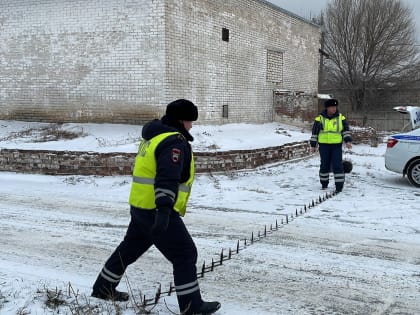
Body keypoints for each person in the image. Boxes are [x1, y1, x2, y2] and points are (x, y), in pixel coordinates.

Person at [91, 99, 221, 315]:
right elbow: (166, 177)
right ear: (180, 120)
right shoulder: (174, 143)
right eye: (189, 121)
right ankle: (192, 307)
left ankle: (103, 287)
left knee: (129, 248)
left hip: (141, 207)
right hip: (157, 210)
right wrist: (163, 210)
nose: (191, 126)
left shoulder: (153, 137)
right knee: (185, 254)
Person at [310, 98, 352, 193]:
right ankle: (324, 183)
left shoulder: (341, 118)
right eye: (332, 107)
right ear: (327, 108)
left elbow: (345, 130)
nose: (334, 109)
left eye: (335, 107)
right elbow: (314, 133)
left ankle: (339, 186)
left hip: (336, 145)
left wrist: (348, 141)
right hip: (324, 145)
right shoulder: (319, 118)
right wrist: (313, 145)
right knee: (324, 165)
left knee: (337, 165)